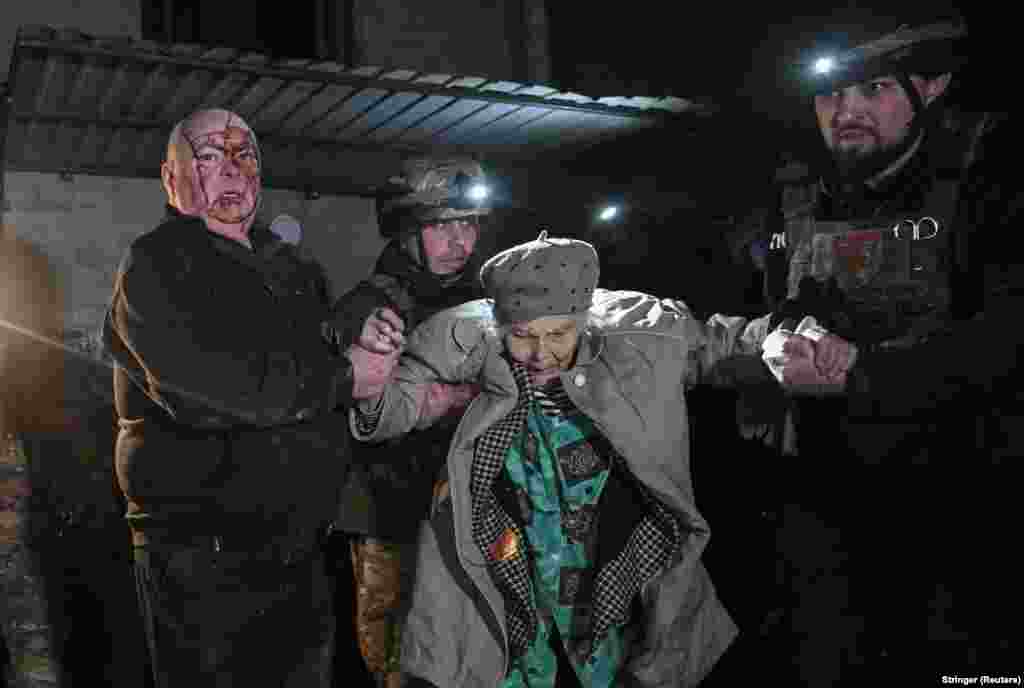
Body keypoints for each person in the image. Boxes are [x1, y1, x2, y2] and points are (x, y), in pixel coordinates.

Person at [349, 232, 852, 688]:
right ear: (498, 325)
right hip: (514, 545)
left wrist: (775, 340)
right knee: (509, 654)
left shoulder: (642, 332)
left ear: (585, 322)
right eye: (522, 337)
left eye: (559, 336)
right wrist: (371, 388)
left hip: (606, 543)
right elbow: (401, 398)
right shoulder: (462, 334)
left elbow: (720, 342)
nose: (541, 355)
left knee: (620, 656)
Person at [720, 19, 1020, 684]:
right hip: (822, 491)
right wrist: (778, 336)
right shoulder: (793, 190)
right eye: (829, 96)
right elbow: (760, 290)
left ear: (932, 87)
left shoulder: (988, 177)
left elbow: (1006, 331)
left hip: (961, 495)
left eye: (874, 89)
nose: (846, 111)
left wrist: (867, 373)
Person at [101, 108, 395, 687]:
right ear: (171, 178)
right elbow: (209, 390)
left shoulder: (290, 267)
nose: (231, 172)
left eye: (245, 157)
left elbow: (309, 355)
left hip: (298, 548)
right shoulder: (157, 265)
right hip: (205, 560)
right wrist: (344, 378)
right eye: (208, 157)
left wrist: (359, 328)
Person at [332, 157, 491, 688]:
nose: (459, 240)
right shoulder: (365, 310)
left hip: (467, 510)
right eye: (441, 225)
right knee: (397, 654)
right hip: (390, 513)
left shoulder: (481, 304)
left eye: (467, 223)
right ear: (406, 232)